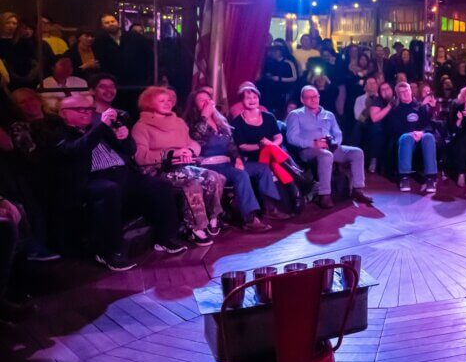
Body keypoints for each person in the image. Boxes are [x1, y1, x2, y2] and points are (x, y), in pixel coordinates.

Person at [47, 93, 187, 270]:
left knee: (160, 185)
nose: (86, 112)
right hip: (91, 179)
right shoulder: (58, 133)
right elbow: (74, 151)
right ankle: (108, 252)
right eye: (79, 109)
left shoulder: (98, 127)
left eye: (89, 109)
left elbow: (129, 150)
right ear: (62, 113)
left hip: (121, 173)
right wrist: (102, 128)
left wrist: (125, 137)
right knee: (108, 190)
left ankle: (166, 237)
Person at [132, 86, 226, 246]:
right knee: (192, 184)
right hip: (158, 169)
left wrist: (189, 150)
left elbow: (193, 143)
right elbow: (140, 157)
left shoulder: (179, 122)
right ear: (149, 103)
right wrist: (170, 154)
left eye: (169, 100)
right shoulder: (141, 126)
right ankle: (195, 228)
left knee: (214, 177)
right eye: (161, 100)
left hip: (182, 166)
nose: (167, 103)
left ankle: (213, 217)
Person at [184, 90, 278, 230]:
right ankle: (250, 219)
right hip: (208, 165)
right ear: (194, 105)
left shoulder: (220, 121)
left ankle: (270, 208)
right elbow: (197, 139)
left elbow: (231, 145)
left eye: (208, 100)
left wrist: (238, 159)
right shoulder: (192, 123)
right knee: (240, 175)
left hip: (226, 162)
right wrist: (204, 116)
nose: (206, 103)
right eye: (201, 100)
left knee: (262, 168)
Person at [285, 85, 370, 208]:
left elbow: (337, 133)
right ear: (302, 99)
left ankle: (358, 189)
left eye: (315, 97)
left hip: (330, 148)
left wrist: (336, 143)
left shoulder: (329, 114)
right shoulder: (295, 115)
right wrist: (313, 143)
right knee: (326, 155)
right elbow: (292, 138)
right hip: (308, 150)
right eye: (309, 98)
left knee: (357, 152)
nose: (313, 100)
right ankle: (325, 195)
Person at [388, 81, 439, 193]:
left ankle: (431, 178)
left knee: (429, 136)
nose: (405, 94)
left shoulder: (421, 107)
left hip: (421, 136)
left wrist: (421, 132)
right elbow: (396, 129)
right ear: (398, 95)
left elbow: (430, 124)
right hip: (405, 138)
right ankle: (404, 177)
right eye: (401, 92)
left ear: (411, 91)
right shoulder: (395, 110)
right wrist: (412, 134)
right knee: (406, 137)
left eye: (406, 91)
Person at [92, 13, 124, 79]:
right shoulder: (99, 42)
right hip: (111, 78)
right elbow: (101, 63)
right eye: (107, 23)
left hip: (133, 79)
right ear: (102, 26)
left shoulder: (132, 37)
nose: (111, 24)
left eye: (113, 21)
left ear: (117, 22)